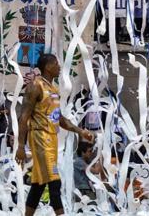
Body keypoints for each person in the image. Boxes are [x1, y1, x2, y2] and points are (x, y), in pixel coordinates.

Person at [16, 54, 95, 216]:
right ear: (47, 67)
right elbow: (23, 117)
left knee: (38, 185)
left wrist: (80, 131)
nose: (59, 66)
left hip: (51, 139)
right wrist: (20, 146)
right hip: (39, 138)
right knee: (54, 181)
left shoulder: (53, 89)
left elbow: (58, 118)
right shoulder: (35, 87)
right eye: (56, 64)